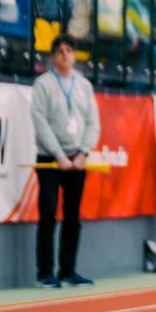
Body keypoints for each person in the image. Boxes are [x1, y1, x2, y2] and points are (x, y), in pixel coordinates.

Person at [29, 34, 100, 287]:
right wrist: (59, 155)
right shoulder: (43, 84)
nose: (65, 55)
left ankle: (68, 270)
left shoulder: (84, 85)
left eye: (69, 50)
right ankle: (44, 273)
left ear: (75, 55)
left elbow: (93, 123)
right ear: (52, 56)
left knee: (73, 216)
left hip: (77, 159)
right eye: (60, 51)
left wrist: (83, 153)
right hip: (49, 158)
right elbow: (40, 122)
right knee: (48, 216)